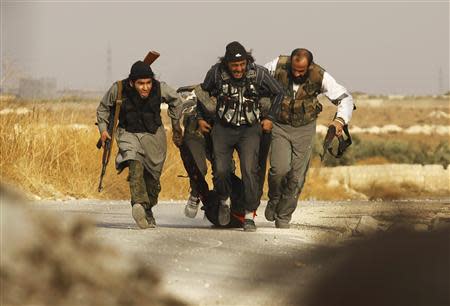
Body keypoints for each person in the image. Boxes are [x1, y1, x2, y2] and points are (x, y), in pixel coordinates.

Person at [197, 41, 284, 232]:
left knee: (249, 170)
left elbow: (279, 92)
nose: (239, 69)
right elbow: (202, 94)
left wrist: (270, 117)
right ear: (227, 63)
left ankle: (249, 214)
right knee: (221, 170)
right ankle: (224, 199)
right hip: (222, 128)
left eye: (242, 64)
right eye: (235, 65)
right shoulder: (216, 73)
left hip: (249, 129)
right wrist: (200, 119)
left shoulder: (258, 73)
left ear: (247, 61)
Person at [264, 48, 354, 228]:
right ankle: (274, 197)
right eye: (294, 69)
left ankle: (283, 216)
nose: (297, 73)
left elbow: (345, 98)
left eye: (301, 71)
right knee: (279, 169)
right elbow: (257, 79)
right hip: (280, 125)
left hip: (304, 129)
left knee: (297, 176)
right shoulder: (277, 65)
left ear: (309, 66)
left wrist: (340, 120)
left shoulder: (320, 75)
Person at [96, 60, 183, 229]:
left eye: (148, 83)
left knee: (152, 180)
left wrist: (175, 124)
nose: (145, 87)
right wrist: (103, 130)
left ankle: (147, 208)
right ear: (132, 82)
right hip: (128, 133)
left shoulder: (160, 87)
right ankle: (138, 203)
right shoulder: (119, 89)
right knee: (135, 164)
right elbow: (103, 108)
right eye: (140, 83)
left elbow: (176, 101)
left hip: (154, 136)